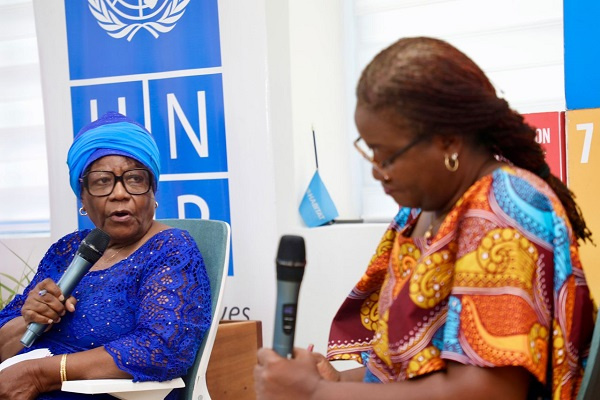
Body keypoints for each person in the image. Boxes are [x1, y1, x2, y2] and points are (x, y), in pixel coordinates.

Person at [254, 37, 595, 399]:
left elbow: (486, 392)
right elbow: (402, 376)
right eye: (370, 153)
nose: (376, 173)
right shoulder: (419, 211)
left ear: (448, 141)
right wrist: (332, 382)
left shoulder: (501, 213)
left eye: (386, 156)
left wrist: (314, 394)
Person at [0, 111, 212, 400]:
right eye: (102, 182)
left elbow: (162, 349)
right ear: (82, 197)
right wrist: (30, 317)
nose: (119, 194)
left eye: (135, 179)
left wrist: (41, 373)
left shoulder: (171, 250)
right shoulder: (67, 250)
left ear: (153, 191)